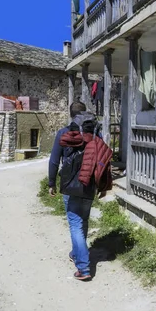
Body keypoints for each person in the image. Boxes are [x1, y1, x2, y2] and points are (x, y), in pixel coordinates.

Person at [48, 101, 99, 281]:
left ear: (71, 115)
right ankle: (77, 253)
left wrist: (51, 183)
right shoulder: (94, 132)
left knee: (75, 224)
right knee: (82, 220)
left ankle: (83, 268)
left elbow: (54, 161)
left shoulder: (64, 132)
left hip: (70, 185)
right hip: (89, 183)